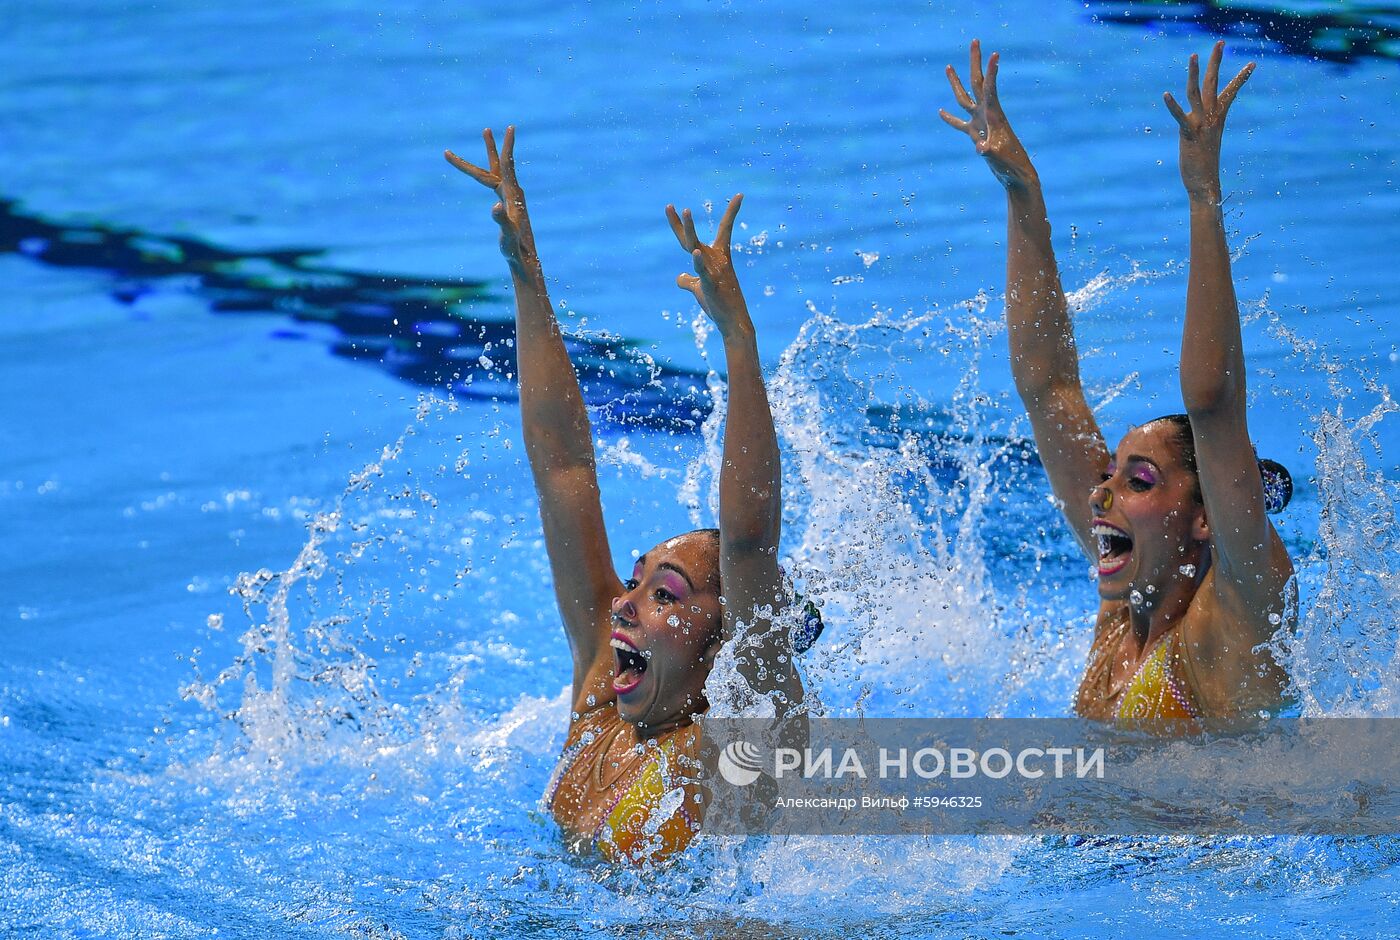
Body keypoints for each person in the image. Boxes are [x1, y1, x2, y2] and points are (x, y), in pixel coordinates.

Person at [444, 128, 805, 863]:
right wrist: (525, 272)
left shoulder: (740, 739)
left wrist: (739, 341)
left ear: (725, 645)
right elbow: (563, 468)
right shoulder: (600, 694)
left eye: (665, 595)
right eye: (637, 583)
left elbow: (747, 542)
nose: (623, 602)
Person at [939, 41, 1295, 733]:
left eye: (1137, 481)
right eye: (1110, 477)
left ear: (1205, 517)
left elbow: (1214, 405)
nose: (1099, 493)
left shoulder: (1236, 621)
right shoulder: (1125, 605)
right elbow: (1049, 390)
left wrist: (1202, 199)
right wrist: (1022, 194)